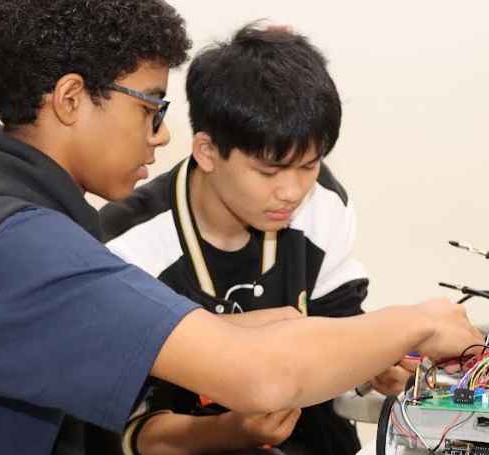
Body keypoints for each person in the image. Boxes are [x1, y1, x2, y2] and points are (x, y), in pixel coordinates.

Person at [0, 1, 483, 455]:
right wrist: (420, 321)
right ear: (70, 99)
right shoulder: (32, 245)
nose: (162, 136)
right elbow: (264, 380)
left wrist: (266, 332)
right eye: (150, 107)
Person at [97, 24, 415, 455]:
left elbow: (341, 327)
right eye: (269, 172)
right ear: (207, 152)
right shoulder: (128, 248)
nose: (292, 191)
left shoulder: (323, 205)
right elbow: (129, 433)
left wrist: (371, 366)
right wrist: (233, 431)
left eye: (309, 165)